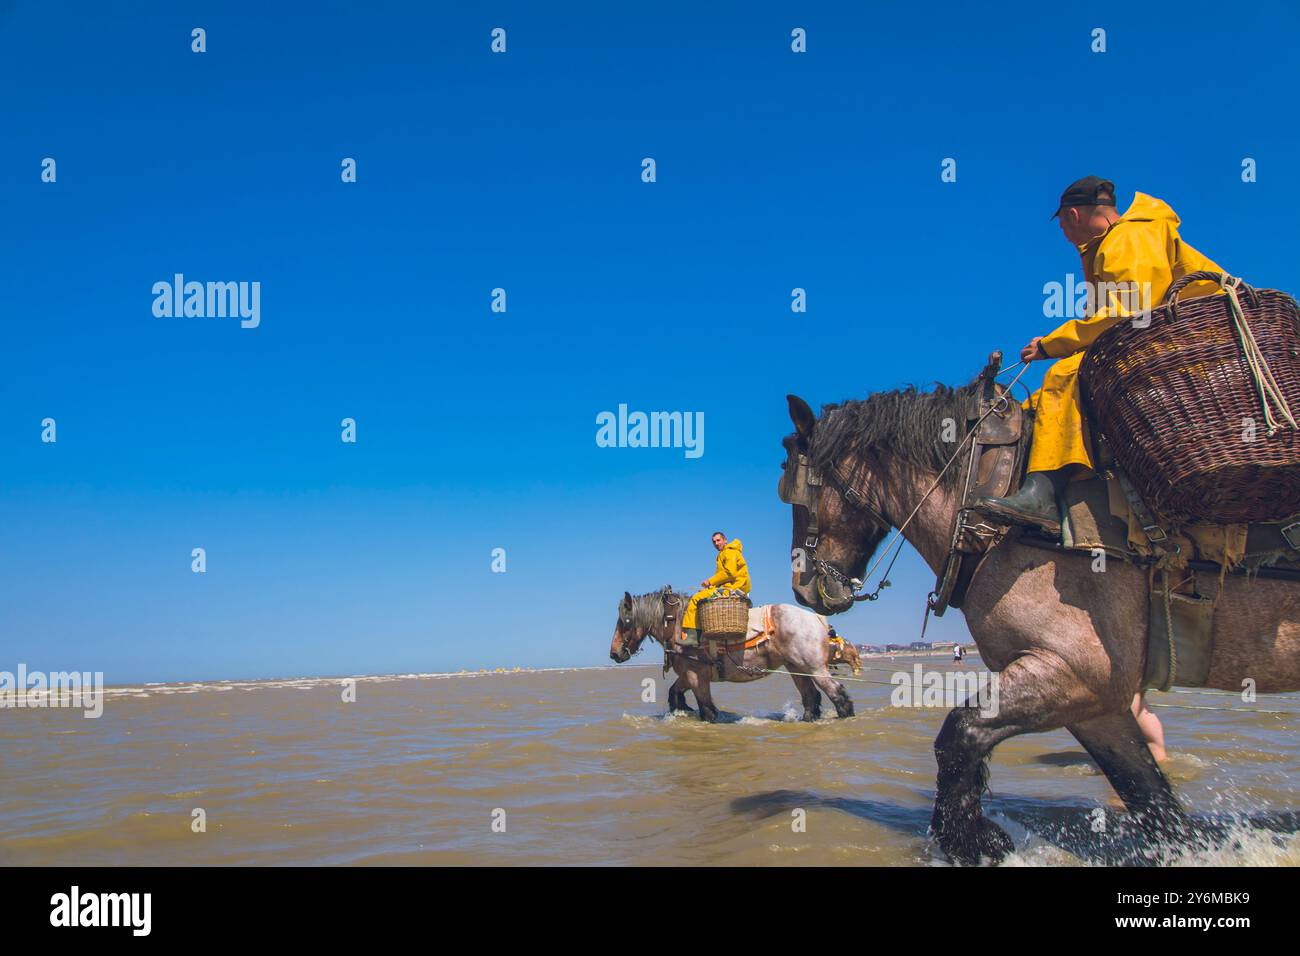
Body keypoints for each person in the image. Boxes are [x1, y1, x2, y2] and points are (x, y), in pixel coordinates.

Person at [979, 177, 1226, 535]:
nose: (1063, 234)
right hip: (1178, 340)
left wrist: (1051, 345)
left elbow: (1130, 311)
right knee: (1042, 404)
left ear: (1074, 215)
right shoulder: (1122, 240)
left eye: (1063, 224)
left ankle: (1043, 495)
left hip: (1194, 347)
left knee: (1064, 376)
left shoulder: (1126, 237)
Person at [679, 532, 750, 646]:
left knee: (696, 599)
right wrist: (710, 587)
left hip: (734, 587)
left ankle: (692, 637)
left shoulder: (729, 552)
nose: (716, 543)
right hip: (730, 586)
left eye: (718, 540)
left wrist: (709, 582)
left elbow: (729, 573)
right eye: (714, 542)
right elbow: (724, 578)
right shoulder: (725, 553)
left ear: (725, 540)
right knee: (702, 594)